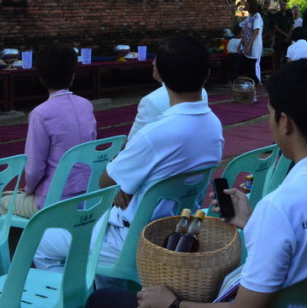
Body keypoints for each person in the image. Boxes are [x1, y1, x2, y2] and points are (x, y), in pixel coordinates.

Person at [132, 59, 307, 308]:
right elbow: (306, 246)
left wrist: (172, 304)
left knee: (107, 299)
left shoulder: (281, 206)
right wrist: (252, 222)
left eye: (269, 114)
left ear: (285, 122)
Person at [35, 36, 223, 278]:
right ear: (207, 75)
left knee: (42, 243)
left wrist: (126, 180)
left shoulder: (156, 132)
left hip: (132, 238)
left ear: (159, 74)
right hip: (179, 231)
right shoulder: (214, 125)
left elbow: (106, 180)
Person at [0, 43, 96, 217]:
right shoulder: (86, 105)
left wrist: (28, 189)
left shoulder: (41, 113)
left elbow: (34, 167)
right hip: (90, 193)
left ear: (41, 78)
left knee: (1, 202)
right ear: (73, 75)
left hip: (54, 200)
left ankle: (25, 243)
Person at [239, 0, 264, 83]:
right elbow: (243, 28)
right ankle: (252, 82)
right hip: (247, 43)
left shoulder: (257, 17)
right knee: (249, 64)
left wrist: (249, 45)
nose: (246, 6)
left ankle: (257, 82)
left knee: (254, 64)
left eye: (247, 5)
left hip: (254, 44)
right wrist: (241, 43)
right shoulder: (249, 17)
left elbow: (255, 32)